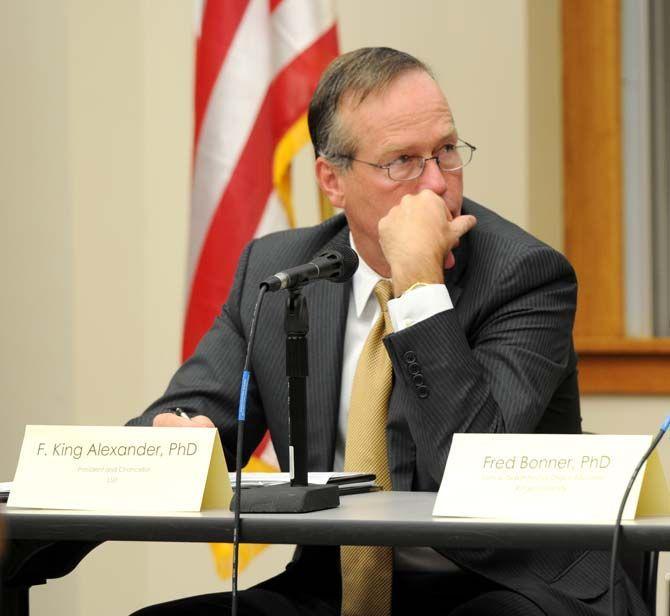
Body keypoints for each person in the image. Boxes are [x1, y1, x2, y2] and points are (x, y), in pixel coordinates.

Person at [129, 48, 647, 616]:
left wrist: (421, 288)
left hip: (507, 583)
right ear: (333, 179)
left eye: (446, 151)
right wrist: (177, 439)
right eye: (402, 160)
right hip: (335, 586)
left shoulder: (524, 276)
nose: (435, 184)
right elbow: (183, 420)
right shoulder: (280, 274)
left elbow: (471, 482)